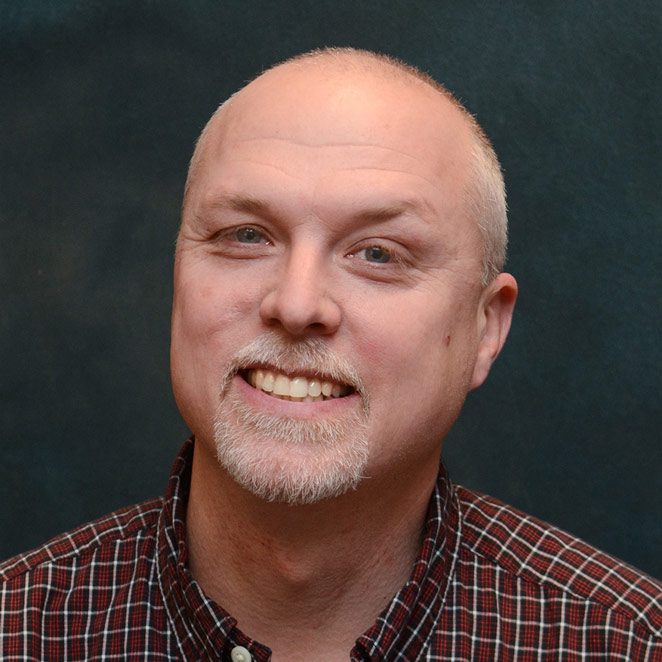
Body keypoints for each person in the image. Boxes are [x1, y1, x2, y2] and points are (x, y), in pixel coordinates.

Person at [1, 47, 659, 661]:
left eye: (378, 254)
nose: (296, 303)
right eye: (246, 236)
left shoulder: (626, 643)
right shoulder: (17, 630)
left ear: (486, 328)